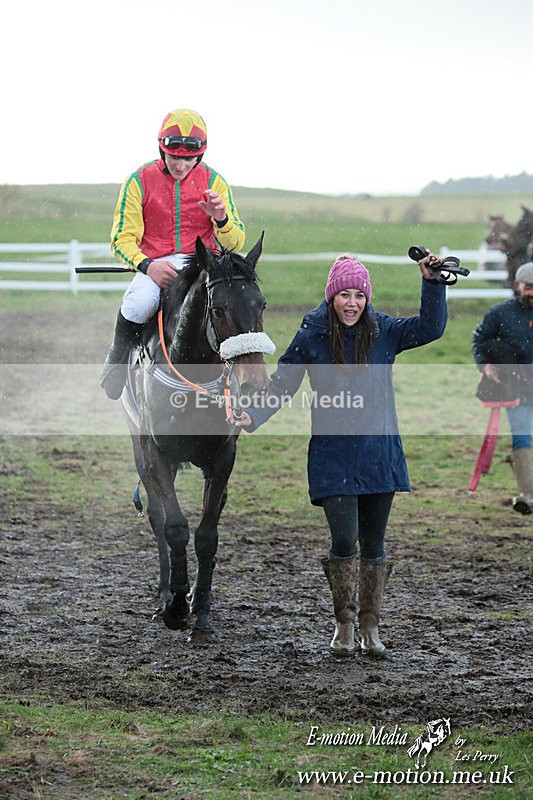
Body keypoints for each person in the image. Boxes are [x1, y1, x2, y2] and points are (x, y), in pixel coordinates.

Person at [231, 252, 448, 656]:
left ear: (367, 299)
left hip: (379, 454)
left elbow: (431, 328)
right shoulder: (312, 336)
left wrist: (432, 283)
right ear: (331, 297)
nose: (352, 303)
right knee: (344, 541)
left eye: (359, 296)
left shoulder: (385, 331)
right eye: (344, 295)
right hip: (333, 457)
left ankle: (371, 628)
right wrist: (253, 414)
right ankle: (344, 625)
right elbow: (282, 386)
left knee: (375, 545)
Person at [101, 108, 245, 399]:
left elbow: (237, 240)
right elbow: (121, 239)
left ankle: (243, 374)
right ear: (162, 150)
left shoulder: (215, 182)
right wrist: (147, 265)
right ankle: (116, 363)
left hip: (205, 265)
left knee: (237, 305)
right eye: (174, 157)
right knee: (138, 304)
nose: (180, 165)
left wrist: (221, 218)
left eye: (188, 159)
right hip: (156, 265)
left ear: (199, 156)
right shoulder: (138, 180)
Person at [472, 262, 533, 514]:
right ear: (517, 285)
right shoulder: (500, 313)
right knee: (522, 437)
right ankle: (527, 495)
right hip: (517, 387)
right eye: (529, 287)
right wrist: (484, 366)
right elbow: (480, 340)